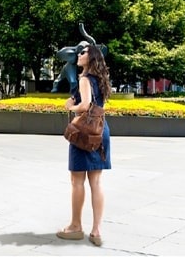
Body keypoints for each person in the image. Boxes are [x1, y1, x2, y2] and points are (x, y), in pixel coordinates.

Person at [58, 44, 112, 247]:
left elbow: (86, 105)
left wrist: (71, 106)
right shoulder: (101, 79)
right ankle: (96, 231)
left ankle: (75, 226)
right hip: (101, 130)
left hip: (84, 133)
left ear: (91, 58)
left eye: (83, 53)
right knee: (96, 182)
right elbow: (97, 103)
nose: (79, 55)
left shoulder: (85, 79)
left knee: (77, 181)